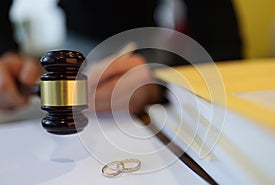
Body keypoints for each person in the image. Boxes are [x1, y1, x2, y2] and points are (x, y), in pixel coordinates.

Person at [0, 0, 243, 114]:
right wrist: (4, 54)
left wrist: (160, 80)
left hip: (147, 53)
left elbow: (225, 46)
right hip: (76, 42)